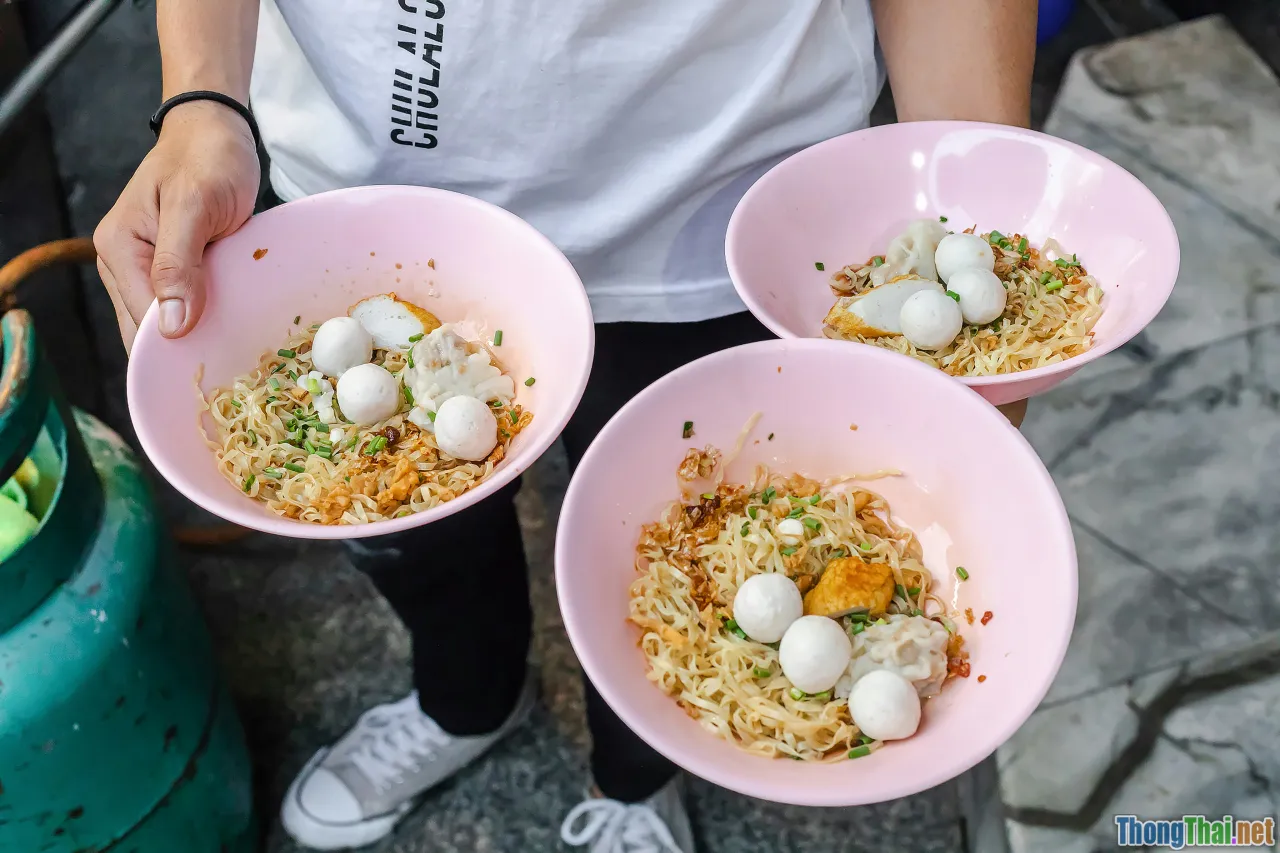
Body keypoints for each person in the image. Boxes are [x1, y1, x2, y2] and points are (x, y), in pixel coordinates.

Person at [95, 1, 1036, 850]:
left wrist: (975, 234)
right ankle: (464, 699)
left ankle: (637, 779)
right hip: (360, 188)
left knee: (691, 571)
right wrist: (202, 97)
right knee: (399, 514)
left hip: (720, 208)